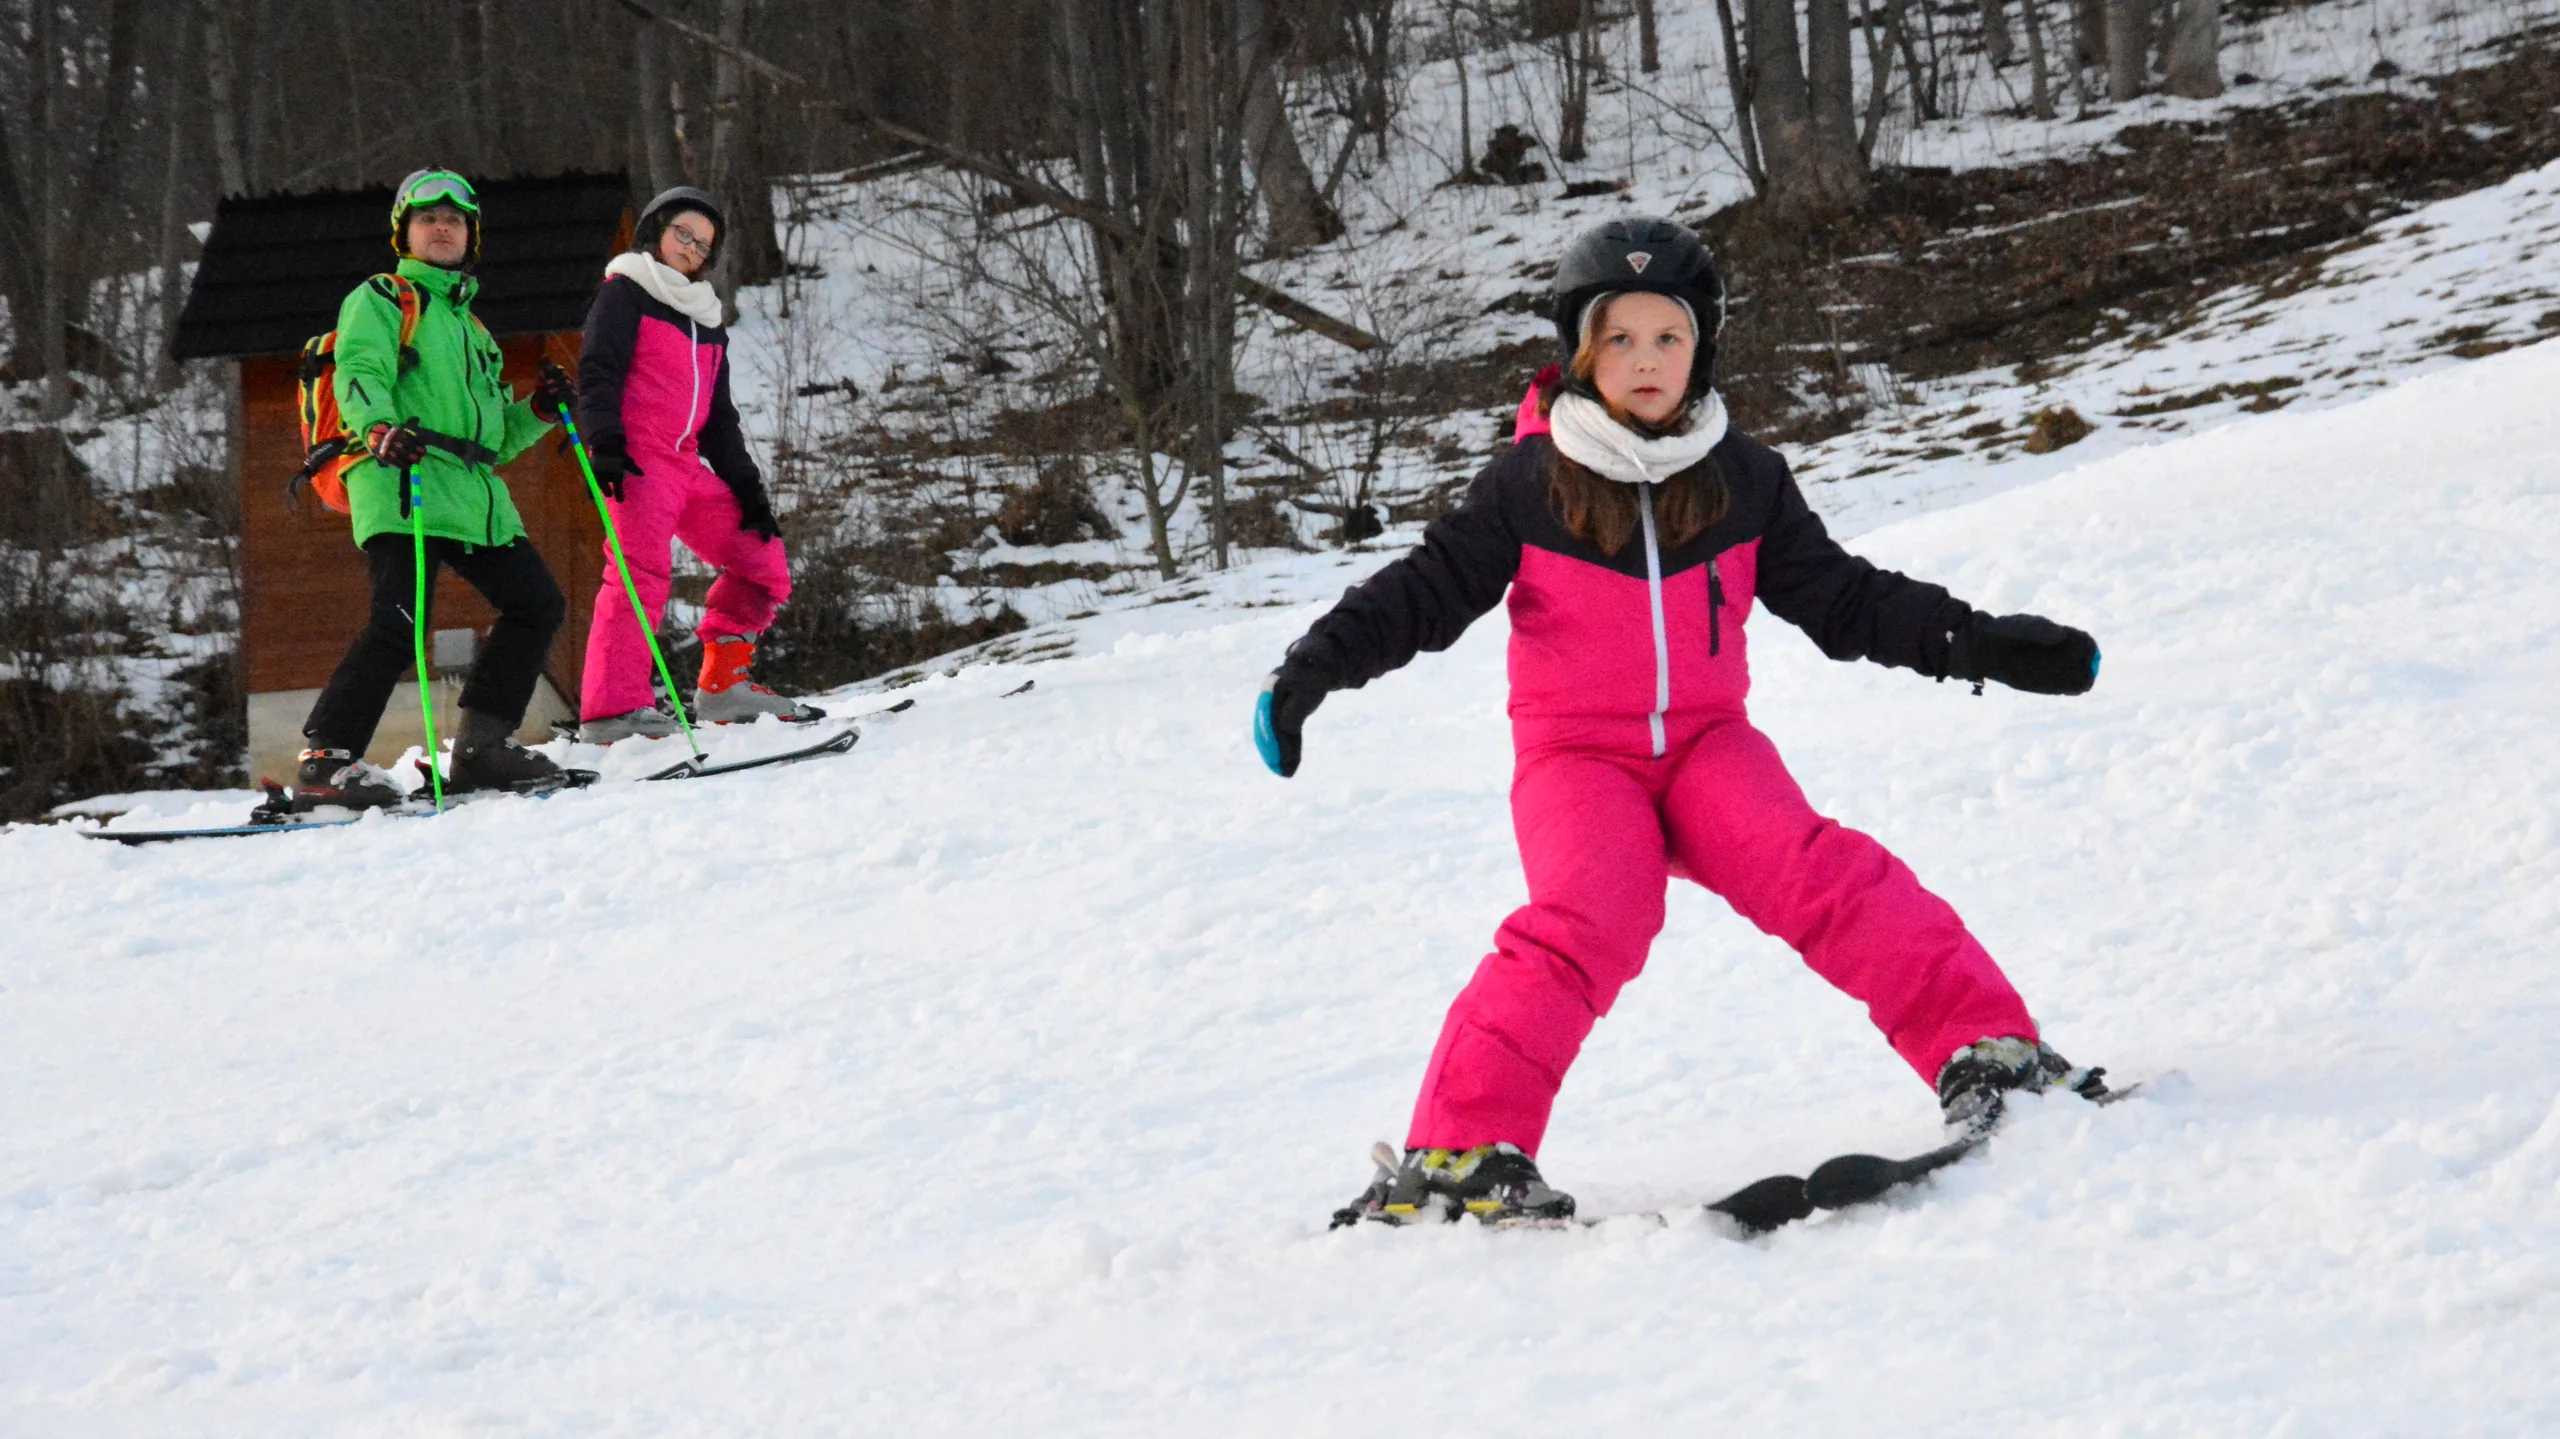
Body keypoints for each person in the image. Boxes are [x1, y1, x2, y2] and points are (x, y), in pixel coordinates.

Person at [1264, 219, 2110, 1227]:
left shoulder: (1743, 479)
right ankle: (1457, 1153)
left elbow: (1844, 599)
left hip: (1709, 746)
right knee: (1588, 915)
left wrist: (1977, 642)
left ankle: (1992, 1052)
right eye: (1617, 339)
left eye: (1667, 337)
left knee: (1818, 867)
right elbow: (1422, 590)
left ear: (1700, 344)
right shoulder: (1527, 487)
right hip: (1578, 758)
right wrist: (1312, 667)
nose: (1645, 360)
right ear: (1581, 351)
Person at [294, 168, 575, 808]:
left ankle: (481, 747)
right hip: (401, 475)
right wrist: (379, 429)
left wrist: (540, 410)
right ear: (406, 233)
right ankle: (325, 761)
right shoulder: (384, 297)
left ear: (470, 235)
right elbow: (358, 371)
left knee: (536, 603)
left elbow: (496, 439)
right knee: (399, 622)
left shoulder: (474, 331)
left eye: (454, 219)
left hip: (471, 496)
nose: (442, 226)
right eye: (428, 218)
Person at [570, 185, 814, 743]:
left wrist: (746, 487)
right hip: (636, 458)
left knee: (762, 557)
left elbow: (719, 417)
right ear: (656, 231)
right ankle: (612, 711)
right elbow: (599, 370)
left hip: (685, 464)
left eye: (704, 244)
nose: (691, 248)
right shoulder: (625, 292)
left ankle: (723, 687)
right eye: (683, 233)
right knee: (639, 576)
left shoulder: (706, 318)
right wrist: (603, 440)